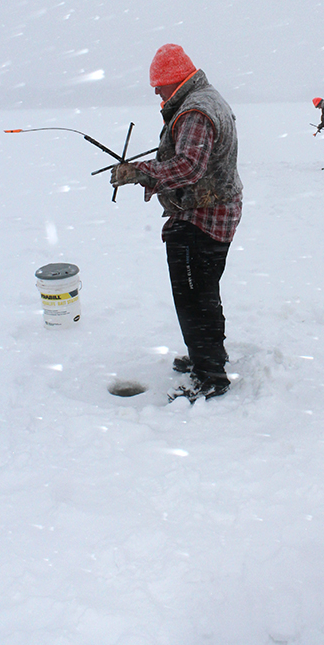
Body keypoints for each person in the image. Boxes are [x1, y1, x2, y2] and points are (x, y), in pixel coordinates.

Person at [110, 44, 243, 402]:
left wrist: (140, 172)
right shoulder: (204, 99)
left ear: (174, 80)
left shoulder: (196, 110)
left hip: (202, 217)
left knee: (194, 299)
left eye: (159, 84)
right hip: (212, 210)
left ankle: (210, 377)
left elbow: (188, 167)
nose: (155, 91)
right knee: (204, 293)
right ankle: (209, 357)